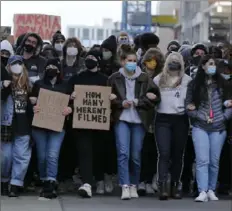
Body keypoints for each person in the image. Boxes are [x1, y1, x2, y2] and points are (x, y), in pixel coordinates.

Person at [108, 45, 160, 200]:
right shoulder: (114, 78)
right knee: (123, 153)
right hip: (122, 119)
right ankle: (124, 185)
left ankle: (134, 184)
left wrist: (138, 102)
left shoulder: (145, 78)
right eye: (129, 60)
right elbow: (106, 99)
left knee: (136, 155)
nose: (132, 63)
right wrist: (119, 103)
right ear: (122, 61)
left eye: (134, 60)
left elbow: (155, 98)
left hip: (139, 120)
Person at [185, 55, 232, 202]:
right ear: (203, 66)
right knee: (202, 160)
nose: (213, 66)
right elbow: (188, 106)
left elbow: (230, 104)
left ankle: (211, 189)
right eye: (210, 64)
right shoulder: (194, 85)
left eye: (214, 64)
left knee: (214, 161)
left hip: (218, 128)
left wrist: (223, 117)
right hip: (200, 126)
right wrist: (198, 115)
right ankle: (202, 191)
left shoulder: (224, 84)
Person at [68, 49, 110, 198]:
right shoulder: (76, 78)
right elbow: (66, 95)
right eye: (88, 57)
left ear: (98, 60)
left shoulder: (106, 79)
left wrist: (111, 97)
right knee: (84, 152)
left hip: (99, 124)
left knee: (98, 152)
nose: (89, 59)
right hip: (81, 124)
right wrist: (71, 97)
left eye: (93, 57)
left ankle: (99, 179)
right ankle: (86, 183)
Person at [31, 58, 72, 200]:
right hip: (39, 126)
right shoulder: (38, 84)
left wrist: (69, 109)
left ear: (59, 70)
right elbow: (31, 101)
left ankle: (51, 181)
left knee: (52, 154)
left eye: (54, 66)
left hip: (58, 126)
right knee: (42, 156)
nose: (51, 68)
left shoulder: (66, 85)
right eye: (48, 66)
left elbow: (72, 103)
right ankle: (43, 178)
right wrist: (33, 106)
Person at [153, 52, 192, 200]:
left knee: (178, 154)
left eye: (177, 61)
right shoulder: (159, 79)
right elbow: (152, 98)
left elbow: (191, 98)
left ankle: (175, 185)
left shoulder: (188, 80)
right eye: (171, 60)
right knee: (164, 153)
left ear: (181, 63)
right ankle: (162, 185)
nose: (174, 63)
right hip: (162, 118)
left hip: (180, 119)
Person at [1, 55, 32, 197]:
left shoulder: (29, 85)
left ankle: (15, 184)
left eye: (19, 63)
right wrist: (3, 85)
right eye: (14, 63)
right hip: (5, 124)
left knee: (21, 156)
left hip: (23, 124)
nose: (17, 66)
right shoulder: (3, 83)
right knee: (5, 157)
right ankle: (3, 181)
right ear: (8, 66)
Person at [138, 47, 164, 195]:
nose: (151, 63)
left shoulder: (161, 77)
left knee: (154, 151)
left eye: (155, 60)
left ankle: (150, 180)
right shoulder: (140, 76)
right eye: (149, 60)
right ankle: (141, 180)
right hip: (142, 117)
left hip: (157, 118)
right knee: (141, 151)